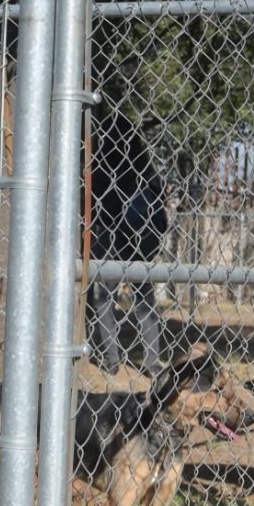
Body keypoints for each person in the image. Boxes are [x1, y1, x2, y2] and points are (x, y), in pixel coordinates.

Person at [87, 109, 167, 374]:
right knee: (145, 302)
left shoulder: (100, 166)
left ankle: (112, 360)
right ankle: (154, 363)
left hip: (110, 238)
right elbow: (160, 202)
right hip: (140, 241)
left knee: (104, 300)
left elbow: (89, 199)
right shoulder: (144, 165)